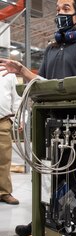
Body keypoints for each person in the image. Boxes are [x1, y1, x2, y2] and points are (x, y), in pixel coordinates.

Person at [0, 0, 76, 236]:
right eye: (57, 9)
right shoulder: (51, 48)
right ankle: (42, 220)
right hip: (53, 124)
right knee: (48, 177)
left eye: (66, 9)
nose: (60, 13)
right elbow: (41, 83)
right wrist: (22, 71)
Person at [0, 71, 22, 205]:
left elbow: (17, 98)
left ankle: (4, 192)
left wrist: (18, 119)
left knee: (4, 159)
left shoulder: (9, 75)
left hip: (2, 121)